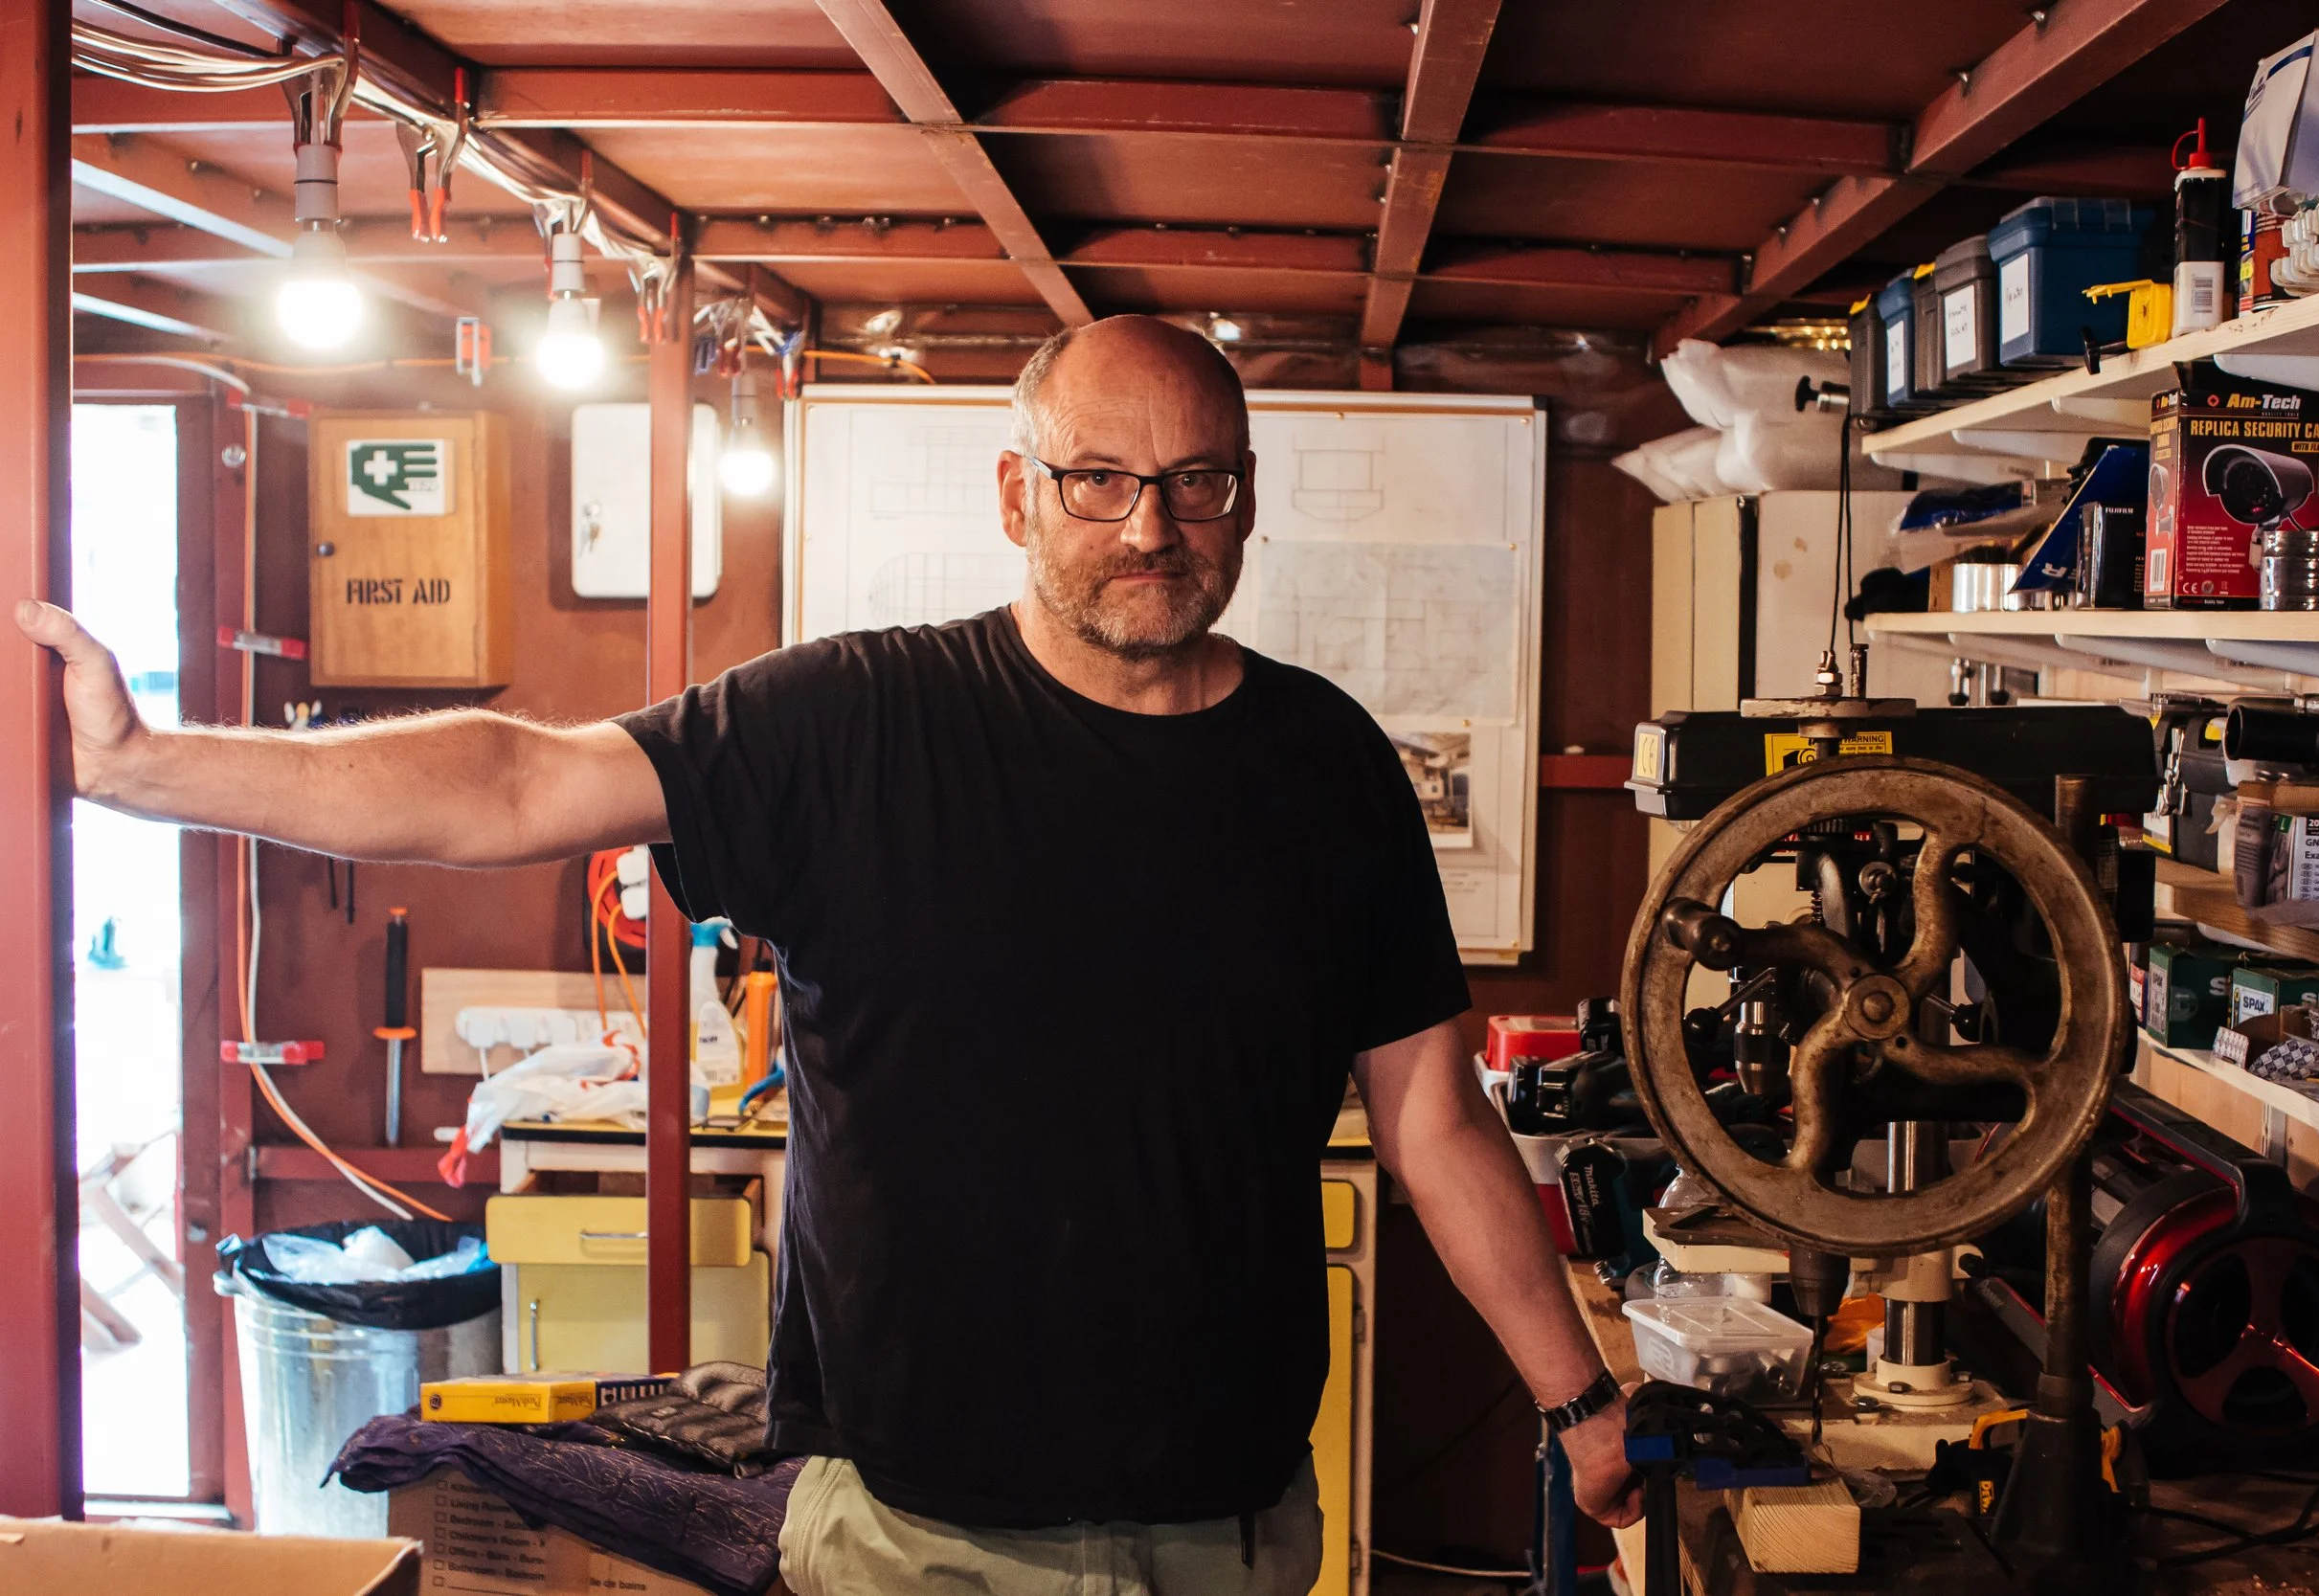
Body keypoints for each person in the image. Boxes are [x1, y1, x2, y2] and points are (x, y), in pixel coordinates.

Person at [19, 314, 1639, 1593]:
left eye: (1198, 481)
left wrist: (1579, 1405)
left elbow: (1433, 1113)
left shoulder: (1331, 766)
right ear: (1019, 493)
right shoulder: (852, 722)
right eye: (1100, 479)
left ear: (1245, 498)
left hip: (1234, 1531)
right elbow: (518, 777)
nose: (1151, 526)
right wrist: (143, 766)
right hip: (913, 1538)